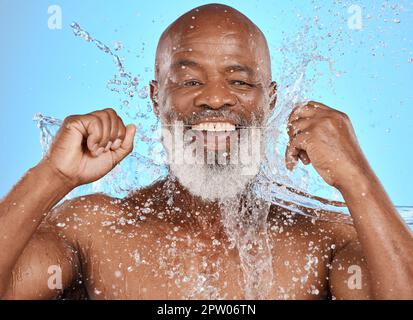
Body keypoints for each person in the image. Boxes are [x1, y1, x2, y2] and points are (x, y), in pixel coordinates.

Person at [1, 3, 412, 300]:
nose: (215, 99)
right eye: (190, 82)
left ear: (271, 102)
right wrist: (52, 176)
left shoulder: (324, 237)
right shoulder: (95, 231)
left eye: (241, 83)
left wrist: (357, 176)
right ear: (155, 98)